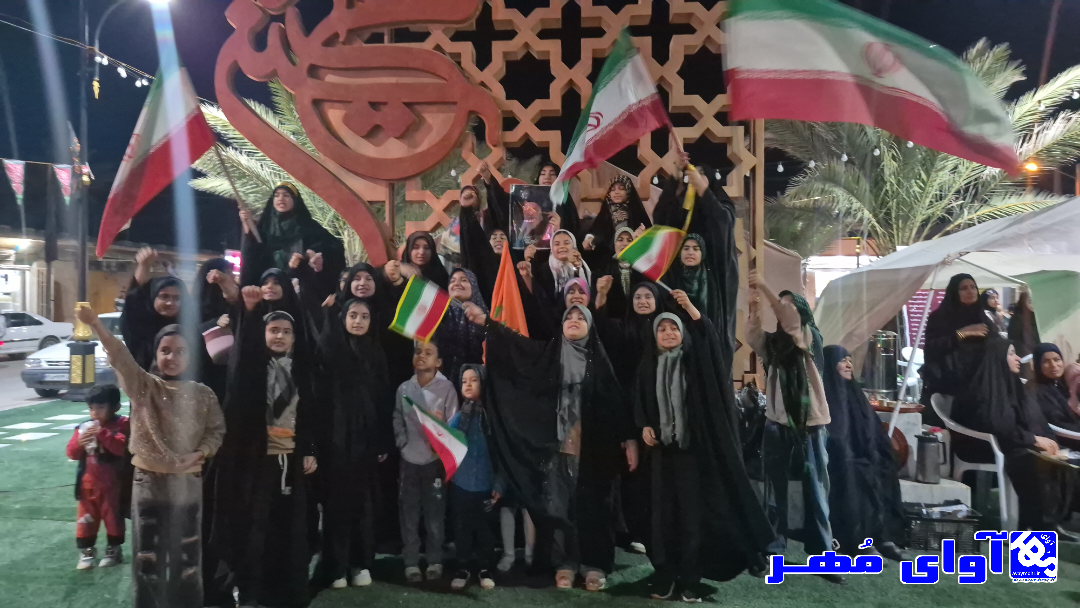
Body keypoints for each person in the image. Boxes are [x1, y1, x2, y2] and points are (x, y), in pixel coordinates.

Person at [464, 302, 638, 591]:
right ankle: (564, 563)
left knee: (595, 508)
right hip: (556, 449)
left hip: (593, 451)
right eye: (569, 317)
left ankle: (593, 564)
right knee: (559, 507)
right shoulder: (548, 356)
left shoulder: (599, 362)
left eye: (581, 317)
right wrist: (488, 323)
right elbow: (516, 347)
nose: (574, 320)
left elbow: (615, 402)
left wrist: (628, 438)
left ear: (590, 327)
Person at [75, 304, 225, 608]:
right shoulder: (144, 386)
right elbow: (120, 355)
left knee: (187, 554)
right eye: (165, 350)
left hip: (187, 482)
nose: (172, 357)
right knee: (147, 556)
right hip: (148, 482)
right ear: (156, 354)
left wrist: (201, 452)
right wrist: (96, 325)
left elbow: (216, 431)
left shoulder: (204, 394)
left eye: (181, 351)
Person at [635, 291, 775, 602]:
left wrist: (689, 308)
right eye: (662, 329)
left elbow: (708, 339)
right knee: (662, 518)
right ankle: (665, 576)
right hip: (660, 454)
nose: (668, 333)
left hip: (691, 454)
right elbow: (640, 401)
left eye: (674, 328)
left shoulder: (694, 363)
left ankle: (690, 579)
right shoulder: (648, 365)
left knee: (690, 519)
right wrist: (644, 425)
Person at [210, 292, 316, 608]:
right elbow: (242, 355)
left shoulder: (302, 372)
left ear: (295, 337)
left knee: (288, 530)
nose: (280, 336)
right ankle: (249, 591)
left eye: (286, 331)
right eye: (273, 330)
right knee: (254, 530)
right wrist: (249, 309)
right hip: (256, 463)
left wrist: (309, 449)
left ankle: (286, 592)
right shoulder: (251, 370)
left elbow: (311, 415)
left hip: (291, 463)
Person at [746, 272, 841, 584]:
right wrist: (754, 307)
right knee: (775, 490)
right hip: (778, 422)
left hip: (810, 424)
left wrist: (765, 285)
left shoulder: (809, 336)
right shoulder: (774, 345)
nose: (782, 309)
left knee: (816, 491)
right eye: (780, 305)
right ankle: (775, 548)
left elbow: (790, 322)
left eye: (789, 305)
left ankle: (824, 554)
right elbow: (753, 336)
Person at [951, 340, 1076, 538]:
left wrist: (1045, 439)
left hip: (1010, 440)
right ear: (997, 358)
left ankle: (1050, 523)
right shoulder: (985, 387)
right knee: (1033, 462)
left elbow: (1028, 418)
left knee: (1057, 458)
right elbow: (996, 425)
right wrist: (1032, 440)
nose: (1018, 358)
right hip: (983, 445)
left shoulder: (1010, 382)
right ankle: (1036, 526)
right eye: (1011, 354)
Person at [313, 298, 391, 589]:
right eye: (353, 315)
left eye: (364, 316)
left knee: (365, 505)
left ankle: (361, 563)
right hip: (335, 441)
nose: (358, 321)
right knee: (336, 505)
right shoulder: (329, 350)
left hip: (367, 442)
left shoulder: (376, 353)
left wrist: (383, 440)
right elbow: (319, 399)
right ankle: (336, 566)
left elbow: (384, 398)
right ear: (343, 318)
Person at [822, 346, 907, 561]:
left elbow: (872, 429)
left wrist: (880, 451)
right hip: (836, 457)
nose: (848, 364)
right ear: (830, 365)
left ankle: (883, 537)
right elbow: (832, 435)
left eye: (849, 360)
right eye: (842, 360)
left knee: (885, 468)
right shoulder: (825, 394)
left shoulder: (855, 394)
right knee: (856, 473)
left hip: (861, 452)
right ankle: (858, 541)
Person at [393, 339, 458, 583]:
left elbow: (453, 421)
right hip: (409, 460)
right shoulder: (404, 388)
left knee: (434, 515)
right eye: (418, 351)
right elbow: (397, 417)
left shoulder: (447, 388)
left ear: (438, 362)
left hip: (434, 462)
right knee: (409, 514)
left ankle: (434, 560)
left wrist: (442, 444)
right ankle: (411, 562)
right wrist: (402, 443)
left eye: (428, 353)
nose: (422, 356)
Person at [239, 181, 345, 296]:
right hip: (268, 288)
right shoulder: (264, 226)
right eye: (277, 195)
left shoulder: (308, 226)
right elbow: (251, 255)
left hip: (299, 289)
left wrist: (309, 255)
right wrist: (247, 226)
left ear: (295, 200)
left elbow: (333, 247)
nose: (281, 198)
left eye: (286, 195)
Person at [66, 384, 130, 570]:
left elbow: (121, 449)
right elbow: (71, 453)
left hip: (114, 484)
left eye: (101, 407)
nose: (95, 413)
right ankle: (87, 551)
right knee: (86, 519)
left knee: (113, 518)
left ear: (115, 407)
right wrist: (79, 443)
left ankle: (113, 550)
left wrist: (103, 434)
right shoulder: (83, 427)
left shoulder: (123, 425)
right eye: (91, 408)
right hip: (88, 484)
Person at [448, 365, 498, 591]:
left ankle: (485, 568)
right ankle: (463, 567)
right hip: (461, 484)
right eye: (464, 381)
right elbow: (447, 444)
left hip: (487, 485)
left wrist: (499, 485)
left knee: (486, 530)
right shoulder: (459, 417)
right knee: (462, 529)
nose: (467, 384)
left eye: (473, 380)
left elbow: (501, 455)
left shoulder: (492, 418)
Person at [920, 274, 995, 412]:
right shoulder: (939, 317)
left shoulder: (983, 318)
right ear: (954, 292)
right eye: (964, 288)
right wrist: (961, 333)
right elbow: (932, 349)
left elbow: (995, 346)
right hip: (948, 384)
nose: (970, 291)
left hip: (980, 385)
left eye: (973, 287)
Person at [121, 247, 187, 371]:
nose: (170, 303)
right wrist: (144, 266)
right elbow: (134, 298)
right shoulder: (140, 327)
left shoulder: (189, 327)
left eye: (177, 298)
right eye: (164, 296)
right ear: (152, 297)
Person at [434, 269, 488, 388]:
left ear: (473, 285)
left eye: (464, 280)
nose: (456, 284)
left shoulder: (485, 316)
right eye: (452, 281)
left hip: (476, 385)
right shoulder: (438, 314)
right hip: (442, 385)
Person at [581, 175, 651, 262]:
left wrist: (641, 237)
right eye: (613, 189)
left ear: (628, 191)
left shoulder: (636, 211)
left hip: (634, 259)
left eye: (621, 189)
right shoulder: (606, 213)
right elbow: (597, 231)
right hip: (608, 261)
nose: (616, 192)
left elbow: (649, 238)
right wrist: (590, 239)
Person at [458, 184, 507, 303]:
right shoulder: (457, 223)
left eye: (472, 194)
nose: (498, 240)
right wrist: (466, 211)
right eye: (465, 195)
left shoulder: (488, 217)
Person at [592, 227, 646, 320]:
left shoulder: (642, 268)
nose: (625, 243)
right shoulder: (605, 268)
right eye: (620, 240)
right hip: (613, 321)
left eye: (629, 240)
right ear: (614, 244)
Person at [1030, 344, 1080, 444]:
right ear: (1038, 365)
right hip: (1069, 439)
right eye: (1045, 362)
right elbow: (1059, 424)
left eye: (1057, 359)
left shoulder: (1066, 382)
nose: (1053, 365)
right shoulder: (1040, 392)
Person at [1008, 292, 1041, 360]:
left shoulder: (1036, 317)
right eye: (1030, 302)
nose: (1033, 304)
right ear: (1023, 302)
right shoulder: (1017, 319)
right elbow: (1014, 340)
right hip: (1024, 356)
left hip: (1038, 353)